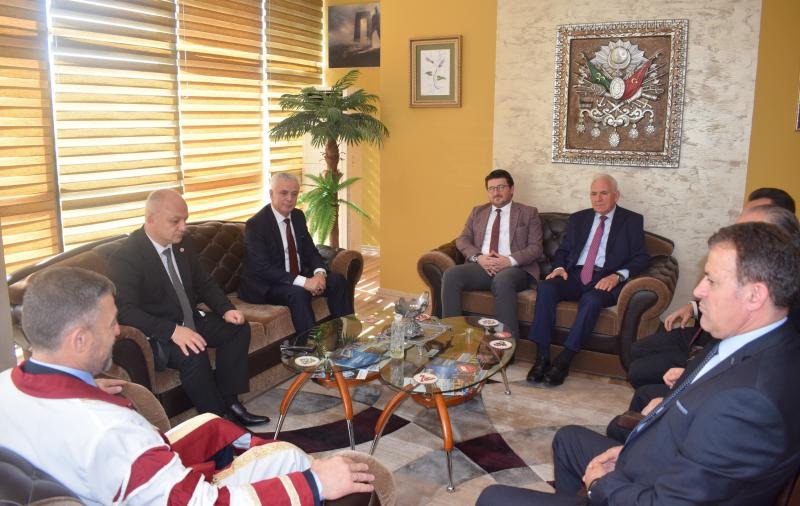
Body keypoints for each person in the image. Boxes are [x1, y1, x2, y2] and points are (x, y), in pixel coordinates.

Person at [478, 221, 800, 504]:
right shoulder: (753, 342)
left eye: (711, 280)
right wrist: (629, 448)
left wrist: (601, 485)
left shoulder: (749, 402)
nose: (698, 290)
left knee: (491, 497)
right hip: (653, 464)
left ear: (755, 295)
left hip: (645, 489)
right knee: (567, 439)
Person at [0, 266, 375, 504]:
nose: (117, 332)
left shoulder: (8, 387)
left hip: (114, 481)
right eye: (111, 323)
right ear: (79, 340)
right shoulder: (110, 430)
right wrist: (315, 483)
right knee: (290, 458)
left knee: (214, 424)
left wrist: (84, 386)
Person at [605, 204, 800, 443]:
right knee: (637, 357)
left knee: (584, 433)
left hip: (696, 391)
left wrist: (672, 400)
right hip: (699, 351)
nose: (698, 290)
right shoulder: (765, 315)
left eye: (750, 231)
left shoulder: (764, 376)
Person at [110, 189, 267, 426]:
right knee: (193, 352)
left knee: (238, 328)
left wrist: (225, 309)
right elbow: (125, 311)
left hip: (190, 319)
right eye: (176, 221)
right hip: (159, 334)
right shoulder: (127, 256)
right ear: (150, 219)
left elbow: (203, 281)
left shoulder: (183, 243)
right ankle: (218, 422)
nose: (183, 227)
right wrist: (172, 331)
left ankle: (231, 402)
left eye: (185, 219)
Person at [626, 187, 797, 390]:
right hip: (703, 338)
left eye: (751, 229)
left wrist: (693, 373)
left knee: (640, 377)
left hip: (711, 356)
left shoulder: (782, 286)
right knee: (637, 350)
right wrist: (693, 307)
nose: (738, 232)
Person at [526, 174, 648, 386]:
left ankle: (564, 360)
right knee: (546, 288)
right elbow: (563, 251)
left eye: (604, 193)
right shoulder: (578, 219)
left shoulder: (632, 220)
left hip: (606, 277)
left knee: (591, 300)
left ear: (616, 195)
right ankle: (542, 357)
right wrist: (559, 268)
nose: (598, 199)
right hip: (574, 275)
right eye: (593, 194)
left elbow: (641, 257)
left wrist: (618, 276)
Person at [238, 173, 353, 335]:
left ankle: (347, 337)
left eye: (294, 194)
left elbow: (311, 252)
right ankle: (311, 346)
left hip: (295, 276)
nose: (289, 199)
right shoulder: (256, 225)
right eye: (284, 193)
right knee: (299, 293)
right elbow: (263, 269)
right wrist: (305, 282)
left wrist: (319, 274)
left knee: (337, 281)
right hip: (267, 284)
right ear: (271, 194)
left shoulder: (298, 216)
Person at [441, 169, 543, 339]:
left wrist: (509, 260)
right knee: (451, 275)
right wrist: (479, 258)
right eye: (491, 188)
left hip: (515, 269)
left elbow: (536, 248)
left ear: (512, 189)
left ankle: (507, 342)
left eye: (501, 187)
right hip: (483, 266)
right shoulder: (477, 212)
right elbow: (462, 239)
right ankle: (453, 336)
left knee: (502, 281)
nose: (496, 192)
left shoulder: (528, 213)